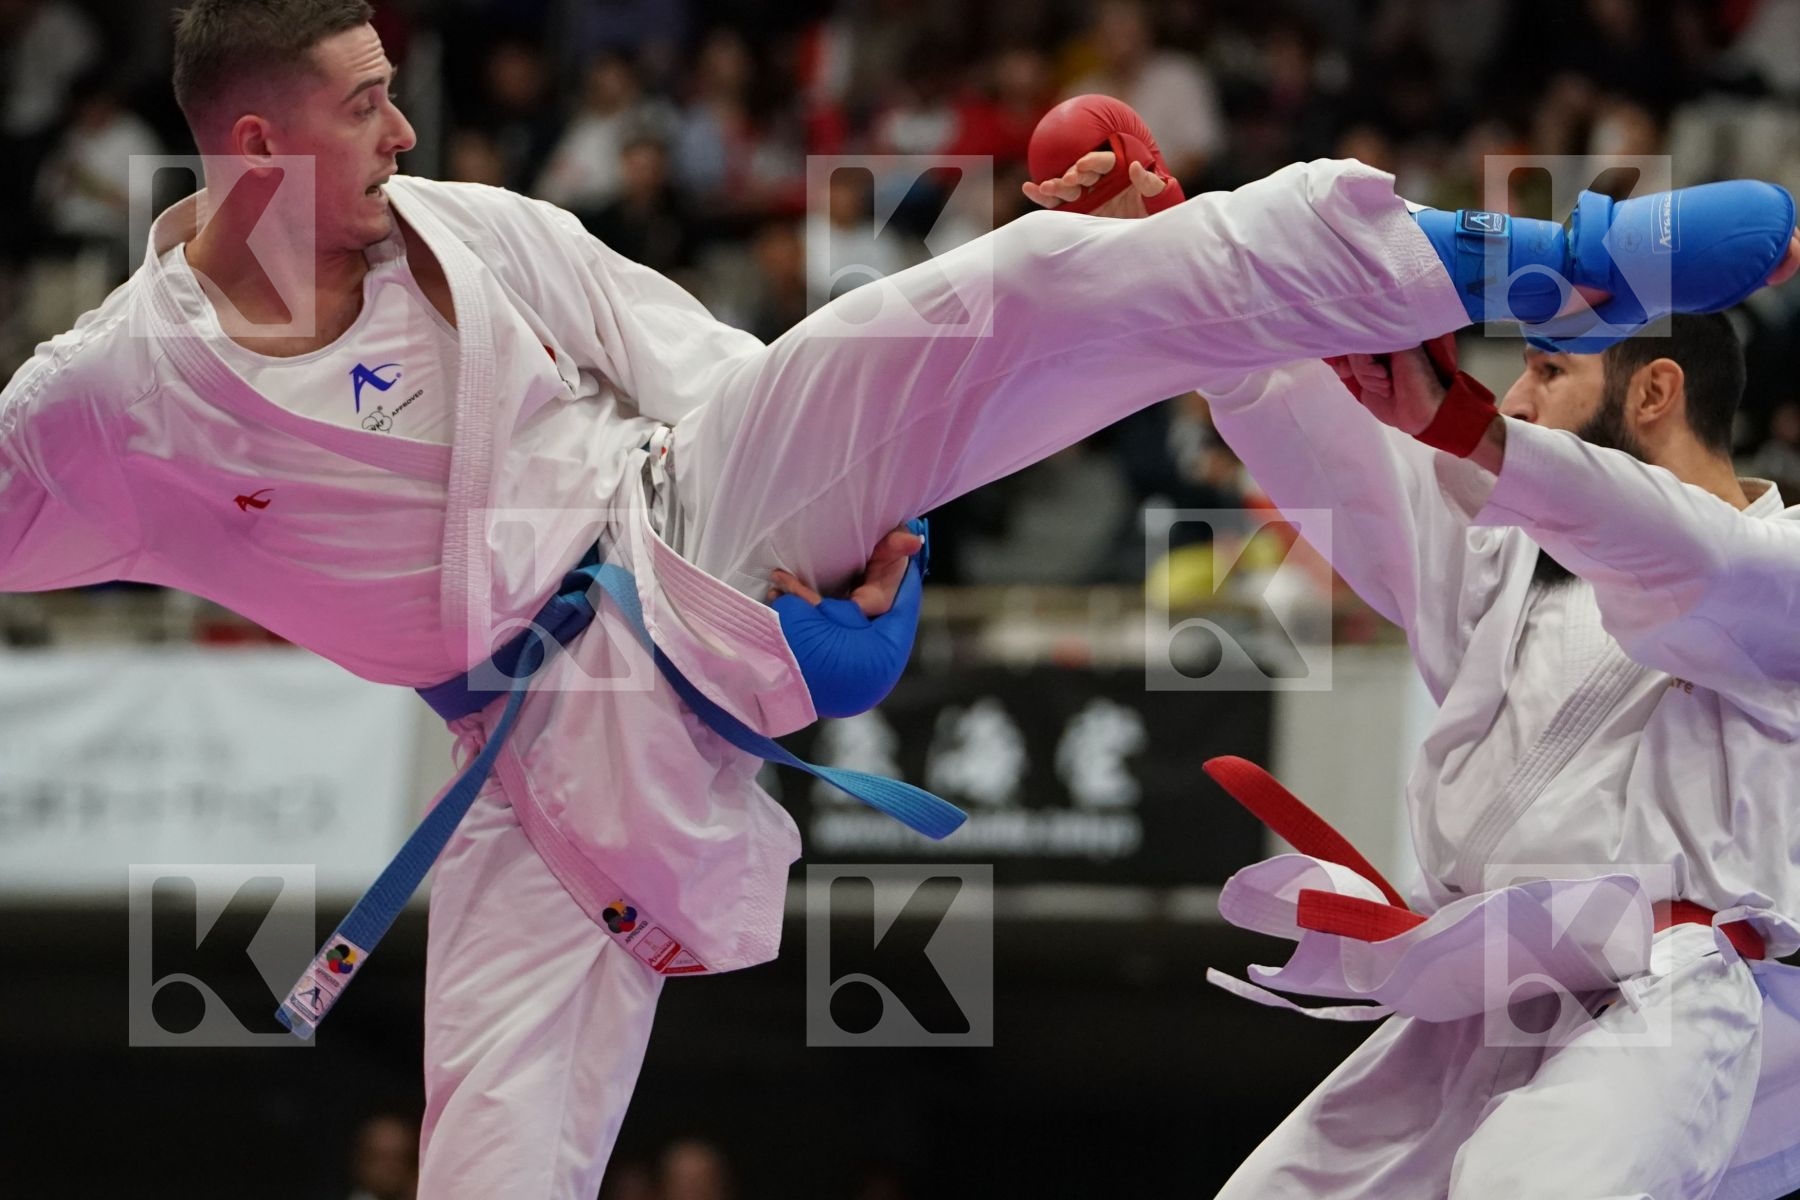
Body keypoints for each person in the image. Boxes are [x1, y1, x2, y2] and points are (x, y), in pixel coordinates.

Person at [2, 7, 1788, 1198]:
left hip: (687, 528)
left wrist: (862, 552)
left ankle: (1520, 258)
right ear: (256, 140)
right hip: (542, 762)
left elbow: (708, 364)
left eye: (396, 82)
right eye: (363, 99)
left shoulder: (471, 234)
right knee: (500, 1165)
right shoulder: (106, 407)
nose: (404, 122)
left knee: (1016, 292)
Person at [1027, 131, 1800, 1197]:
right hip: (1479, 1000)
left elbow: (1677, 554)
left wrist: (1470, 430)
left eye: (1547, 371)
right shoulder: (1501, 554)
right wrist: (1168, 250)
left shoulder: (1779, 569)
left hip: (1685, 1002)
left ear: (1655, 394)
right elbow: (1332, 446)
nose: (1517, 399)